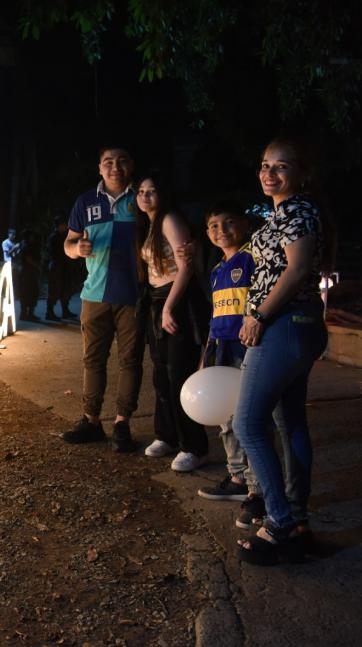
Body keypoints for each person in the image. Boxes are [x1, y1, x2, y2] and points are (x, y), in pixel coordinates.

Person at [234, 139, 330, 566]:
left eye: (281, 167)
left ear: (301, 173)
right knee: (290, 421)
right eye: (264, 165)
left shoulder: (298, 210)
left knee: (248, 423)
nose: (269, 174)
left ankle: (279, 524)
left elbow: (297, 269)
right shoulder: (279, 215)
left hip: (284, 324)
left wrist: (258, 315)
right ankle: (298, 520)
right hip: (294, 325)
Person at [61, 146, 144, 453]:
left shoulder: (142, 198)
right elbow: (69, 242)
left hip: (133, 295)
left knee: (130, 361)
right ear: (99, 168)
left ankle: (122, 423)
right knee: (93, 360)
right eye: (108, 162)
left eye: (122, 160)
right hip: (94, 294)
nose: (115, 167)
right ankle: (91, 420)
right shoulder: (86, 201)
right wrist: (75, 249)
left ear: (130, 165)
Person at [136, 174, 209, 471]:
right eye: (141, 191)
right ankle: (166, 435)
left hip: (176, 300)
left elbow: (186, 268)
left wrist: (169, 307)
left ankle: (194, 446)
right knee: (161, 374)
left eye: (152, 191)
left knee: (179, 373)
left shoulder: (169, 219)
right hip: (156, 299)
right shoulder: (149, 224)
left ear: (163, 194)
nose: (146, 196)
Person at [194, 203, 259, 502]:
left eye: (228, 222)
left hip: (246, 347)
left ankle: (256, 487)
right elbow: (216, 315)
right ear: (207, 233)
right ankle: (236, 478)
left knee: (251, 418)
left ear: (244, 225)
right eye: (214, 226)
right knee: (226, 417)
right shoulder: (218, 270)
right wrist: (205, 355)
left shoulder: (252, 258)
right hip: (220, 349)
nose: (221, 230)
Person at [45, 217, 77, 321]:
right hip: (56, 267)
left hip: (64, 267)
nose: (66, 226)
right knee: (54, 289)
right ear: (58, 225)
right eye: (63, 225)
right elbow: (53, 253)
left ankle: (65, 311)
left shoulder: (64, 236)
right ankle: (49, 312)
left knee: (65, 289)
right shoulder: (53, 237)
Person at [18, 229, 42, 322]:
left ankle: (28, 314)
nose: (33, 238)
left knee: (31, 293)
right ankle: (26, 314)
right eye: (31, 236)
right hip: (27, 272)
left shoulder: (26, 244)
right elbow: (28, 259)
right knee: (27, 293)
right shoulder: (25, 245)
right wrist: (38, 266)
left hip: (28, 272)